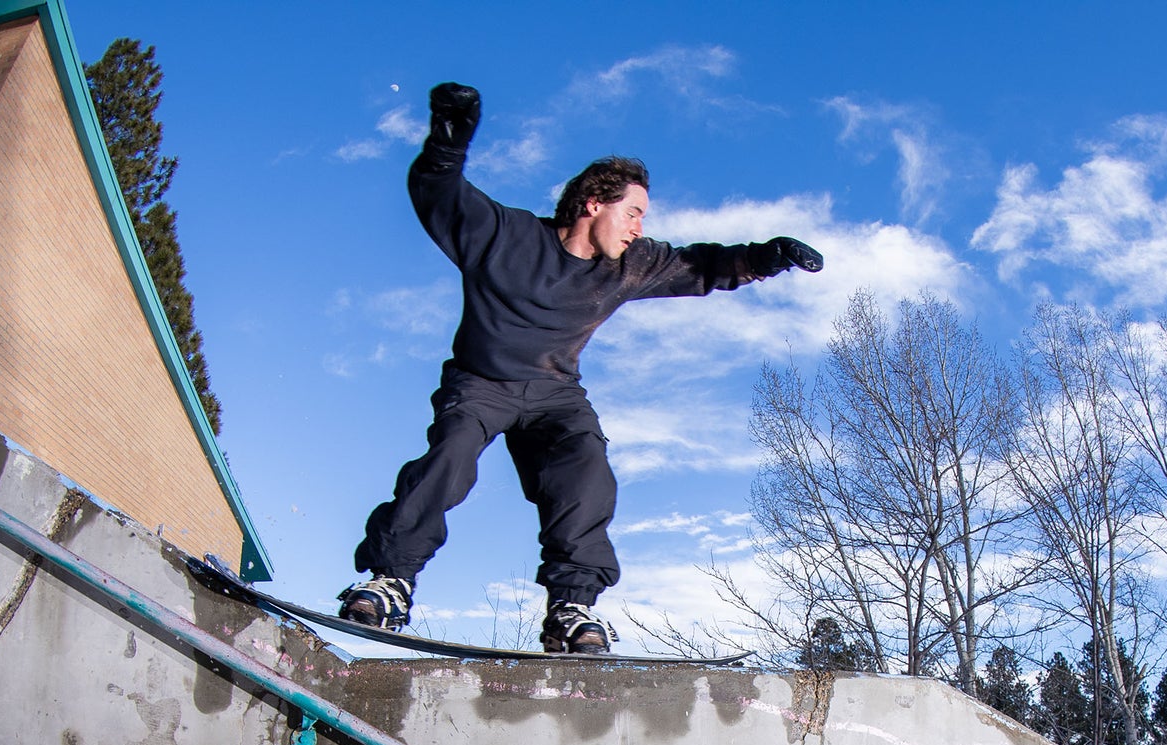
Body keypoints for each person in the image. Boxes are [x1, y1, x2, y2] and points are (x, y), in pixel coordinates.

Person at [343, 83, 825, 655]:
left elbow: (700, 265)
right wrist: (448, 143)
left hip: (555, 392)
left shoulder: (630, 266)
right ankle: (391, 579)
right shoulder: (506, 236)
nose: (639, 228)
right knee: (450, 458)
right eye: (634, 212)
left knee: (586, 467)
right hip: (481, 383)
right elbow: (440, 198)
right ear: (594, 203)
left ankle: (571, 609)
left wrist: (763, 258)